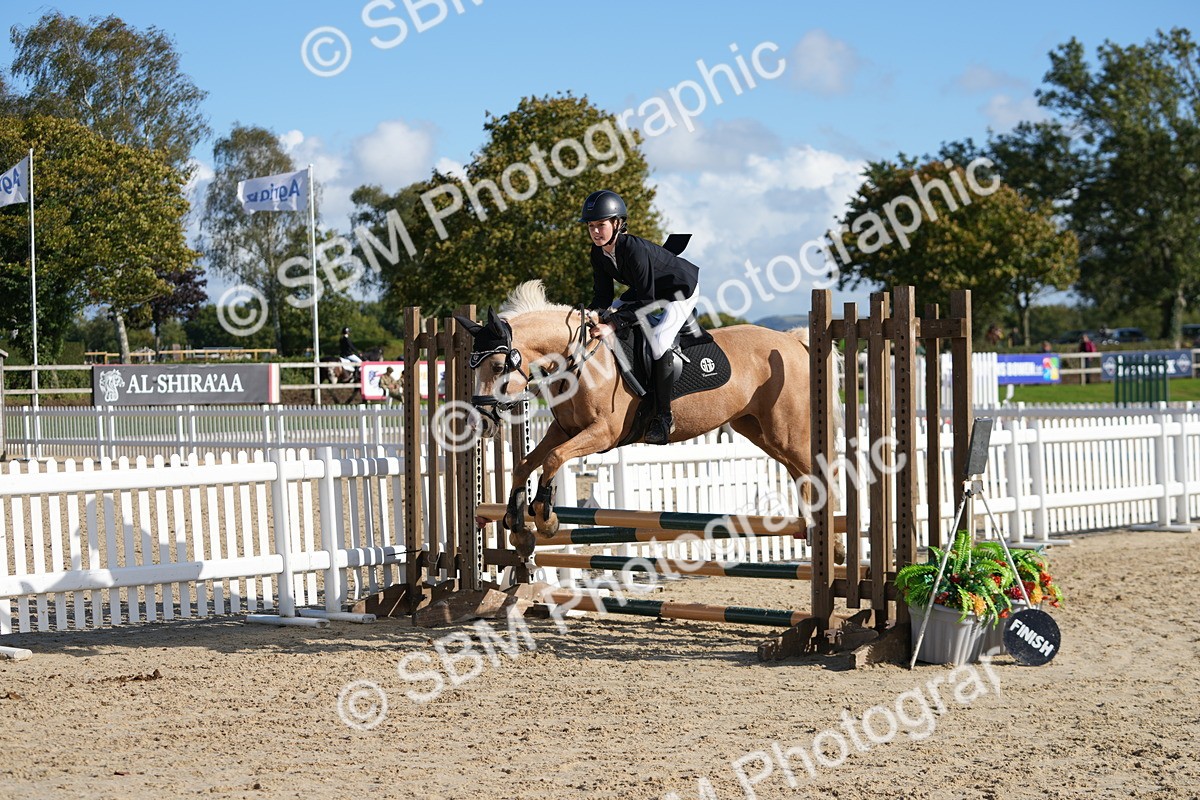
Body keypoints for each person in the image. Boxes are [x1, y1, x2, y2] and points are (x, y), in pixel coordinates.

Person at [581, 189, 700, 445]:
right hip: (647, 291)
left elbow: (647, 302)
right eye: (591, 226)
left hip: (679, 291)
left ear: (617, 223)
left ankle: (664, 416)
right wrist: (591, 314)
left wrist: (612, 323)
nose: (595, 231)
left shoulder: (633, 249)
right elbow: (603, 296)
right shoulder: (597, 252)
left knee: (659, 342)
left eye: (601, 225)